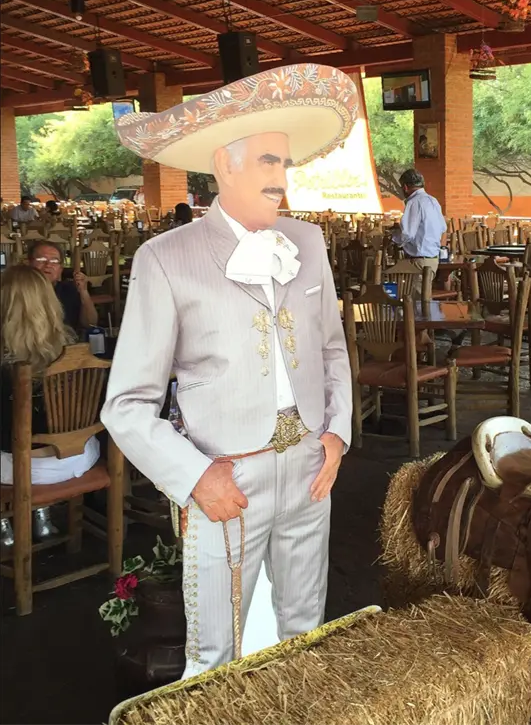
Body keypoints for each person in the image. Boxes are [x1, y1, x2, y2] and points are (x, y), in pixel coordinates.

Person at [102, 63, 355, 676]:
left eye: (285, 164)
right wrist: (193, 478)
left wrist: (338, 434)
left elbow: (330, 350)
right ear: (225, 164)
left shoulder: (309, 241)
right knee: (217, 652)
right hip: (227, 482)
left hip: (308, 470)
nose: (282, 178)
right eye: (269, 161)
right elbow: (126, 404)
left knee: (305, 638)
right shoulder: (167, 257)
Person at [0, 266, 101, 547]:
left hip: (25, 469)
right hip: (80, 457)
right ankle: (40, 512)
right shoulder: (75, 349)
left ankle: (4, 521)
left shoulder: (7, 362)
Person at [392, 169, 447, 297]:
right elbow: (443, 228)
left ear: (405, 187)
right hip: (432, 259)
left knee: (414, 303)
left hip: (418, 261)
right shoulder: (433, 201)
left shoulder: (414, 202)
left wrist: (393, 237)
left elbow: (407, 234)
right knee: (423, 300)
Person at [28, 241, 98, 331]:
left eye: (54, 261)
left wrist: (83, 292)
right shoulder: (20, 292)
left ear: (60, 269)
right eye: (41, 260)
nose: (48, 265)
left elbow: (90, 324)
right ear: (29, 263)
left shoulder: (68, 290)